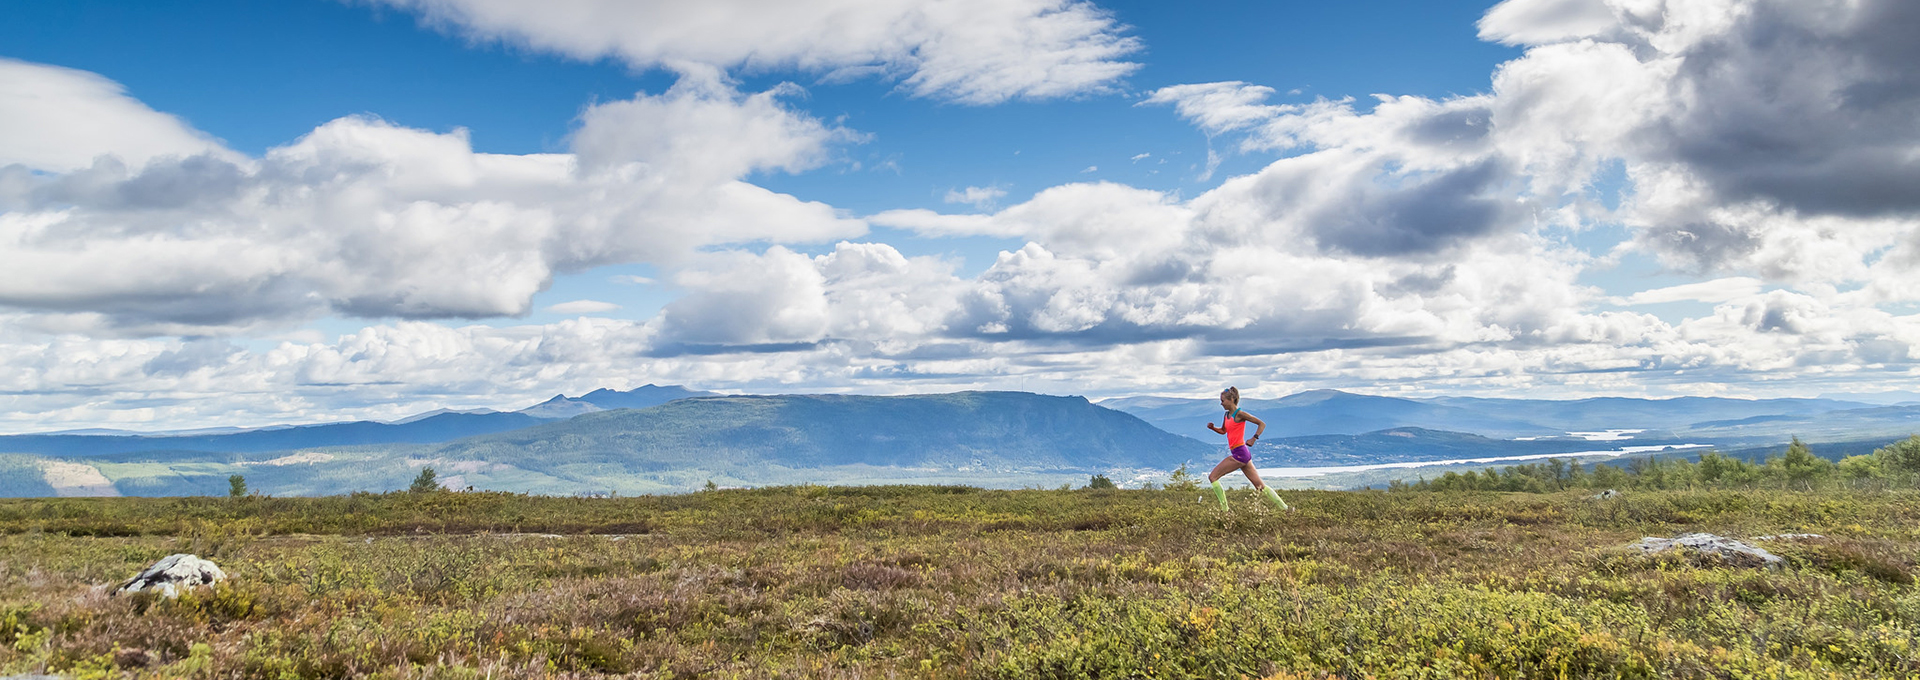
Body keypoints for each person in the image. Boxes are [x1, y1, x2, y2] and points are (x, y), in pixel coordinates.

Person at [1205, 386, 1288, 512]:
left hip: (1240, 453)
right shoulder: (1226, 415)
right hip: (1242, 454)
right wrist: (1213, 428)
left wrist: (1254, 438)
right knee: (1260, 486)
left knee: (1213, 477)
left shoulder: (1240, 414)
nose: (1221, 403)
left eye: (1223, 401)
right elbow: (1223, 431)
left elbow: (1261, 424)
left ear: (1231, 399)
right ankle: (1286, 509)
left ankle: (1225, 511)